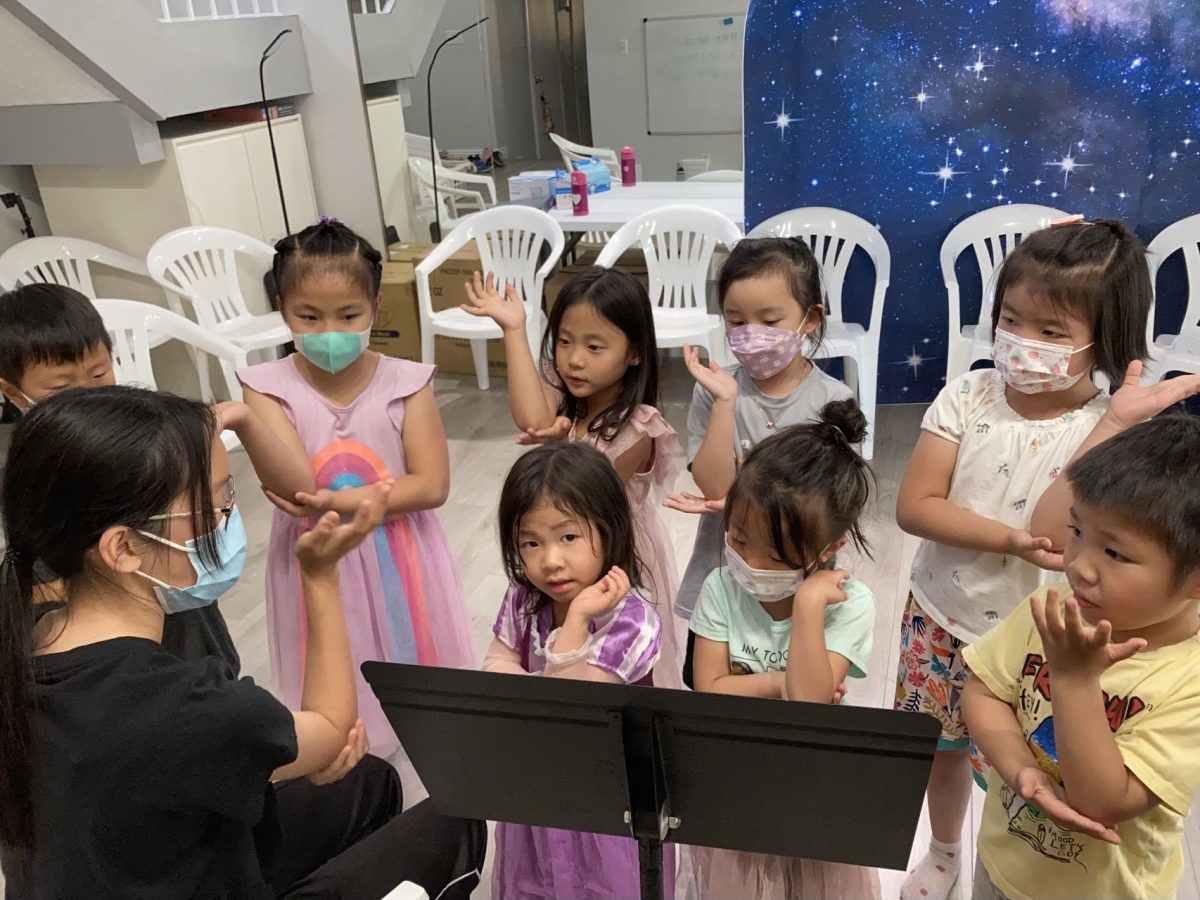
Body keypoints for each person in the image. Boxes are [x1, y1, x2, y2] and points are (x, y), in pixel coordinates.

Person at [0, 386, 485, 899]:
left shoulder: (24, 642)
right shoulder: (187, 705)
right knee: (457, 820)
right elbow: (330, 728)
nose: (228, 515)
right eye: (215, 502)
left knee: (367, 782)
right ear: (122, 547)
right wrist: (319, 578)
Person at [894, 217, 1200, 900]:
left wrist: (1114, 424)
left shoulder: (1110, 428)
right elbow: (916, 505)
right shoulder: (967, 396)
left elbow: (1053, 532)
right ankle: (945, 849)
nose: (1023, 343)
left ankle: (1007, 845)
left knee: (1014, 758)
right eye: (1011, 320)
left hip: (1041, 632)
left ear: (1105, 336)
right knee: (939, 750)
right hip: (942, 614)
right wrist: (1005, 541)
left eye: (1052, 332)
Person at [239, 218, 476, 756]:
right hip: (318, 555)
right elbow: (297, 487)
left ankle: (421, 751)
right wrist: (247, 423)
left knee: (411, 648)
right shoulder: (264, 388)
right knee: (329, 658)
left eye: (348, 315)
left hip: (400, 552)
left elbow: (432, 484)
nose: (329, 332)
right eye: (309, 316)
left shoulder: (406, 381)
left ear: (375, 306)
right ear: (283, 310)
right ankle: (347, 752)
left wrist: (337, 501)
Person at [0, 283, 312, 673]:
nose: (89, 397)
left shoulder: (153, 445)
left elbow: (300, 493)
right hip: (133, 670)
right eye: (61, 388)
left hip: (198, 651)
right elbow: (33, 589)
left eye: (99, 374)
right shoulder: (32, 481)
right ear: (13, 392)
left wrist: (242, 417)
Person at [962, 414, 1200, 900]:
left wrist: (1071, 679)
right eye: (1076, 531)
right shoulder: (1055, 612)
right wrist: (1019, 768)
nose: (1077, 565)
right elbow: (985, 690)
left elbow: (1102, 803)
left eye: (1114, 554)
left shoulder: (1188, 681)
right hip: (1003, 865)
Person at [684, 399, 879, 900]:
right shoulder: (721, 587)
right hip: (735, 772)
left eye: (772, 555)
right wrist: (781, 684)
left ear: (829, 549)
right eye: (738, 538)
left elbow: (811, 702)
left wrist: (810, 605)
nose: (747, 562)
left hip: (813, 781)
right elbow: (709, 689)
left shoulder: (849, 605)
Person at [462, 265, 685, 688]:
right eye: (564, 341)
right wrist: (514, 329)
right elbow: (530, 417)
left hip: (616, 551)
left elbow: (587, 491)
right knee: (552, 624)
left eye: (595, 347)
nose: (575, 359)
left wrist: (561, 450)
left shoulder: (639, 425)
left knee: (617, 657)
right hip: (565, 541)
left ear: (635, 352)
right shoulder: (565, 395)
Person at [482, 442, 671, 899]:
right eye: (531, 542)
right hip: (538, 784)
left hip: (610, 797)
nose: (550, 560)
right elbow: (497, 660)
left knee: (604, 887)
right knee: (534, 881)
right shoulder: (524, 598)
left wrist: (578, 618)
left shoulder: (634, 619)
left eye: (568, 537)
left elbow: (573, 714)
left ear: (609, 531)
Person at [667, 236, 853, 688]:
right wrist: (726, 403)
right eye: (736, 321)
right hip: (722, 584)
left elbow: (831, 509)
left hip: (794, 594)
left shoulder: (833, 401)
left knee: (791, 700)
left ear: (810, 318)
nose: (751, 333)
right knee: (710, 689)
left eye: (769, 320)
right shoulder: (714, 389)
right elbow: (715, 488)